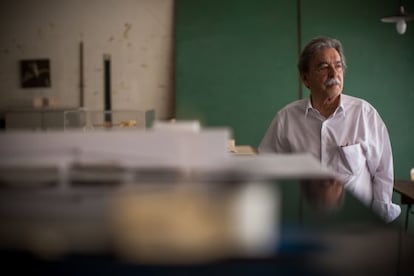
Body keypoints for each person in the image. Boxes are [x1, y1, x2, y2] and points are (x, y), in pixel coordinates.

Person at [258, 36, 400, 222]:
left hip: (355, 223)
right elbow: (266, 169)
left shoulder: (364, 114)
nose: (334, 73)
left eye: (338, 66)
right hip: (303, 221)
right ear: (305, 77)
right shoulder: (286, 118)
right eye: (324, 67)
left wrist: (378, 220)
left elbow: (383, 172)